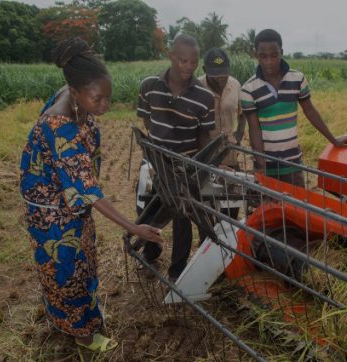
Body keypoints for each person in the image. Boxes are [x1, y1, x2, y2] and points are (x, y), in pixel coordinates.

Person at [20, 37, 163, 354]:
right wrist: (135, 227)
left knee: (78, 263)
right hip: (53, 213)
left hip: (65, 204)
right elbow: (88, 191)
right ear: (74, 92)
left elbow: (81, 187)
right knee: (68, 268)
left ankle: (70, 320)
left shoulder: (70, 94)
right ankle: (84, 335)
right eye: (97, 99)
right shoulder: (61, 129)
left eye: (108, 98)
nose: (104, 106)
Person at [136, 34, 216, 282]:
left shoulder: (204, 96)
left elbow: (204, 135)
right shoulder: (149, 85)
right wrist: (162, 142)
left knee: (182, 215)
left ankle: (178, 271)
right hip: (155, 161)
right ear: (171, 57)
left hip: (184, 166)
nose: (189, 67)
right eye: (183, 60)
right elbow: (147, 118)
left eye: (193, 62)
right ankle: (150, 253)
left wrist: (203, 165)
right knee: (147, 209)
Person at [240, 29, 347, 187]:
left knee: (297, 207)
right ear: (256, 55)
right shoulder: (248, 89)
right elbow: (254, 128)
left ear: (281, 52)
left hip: (293, 163)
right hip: (267, 165)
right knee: (271, 210)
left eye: (274, 55)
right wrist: (261, 165)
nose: (269, 61)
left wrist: (333, 140)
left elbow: (310, 111)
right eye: (263, 56)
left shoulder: (297, 79)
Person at [198, 47, 246, 220]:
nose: (220, 79)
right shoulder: (197, 88)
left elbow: (243, 114)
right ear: (204, 70)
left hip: (230, 156)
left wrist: (239, 135)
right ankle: (210, 241)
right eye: (215, 75)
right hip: (205, 158)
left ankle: (229, 238)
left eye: (223, 74)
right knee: (207, 207)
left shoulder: (235, 85)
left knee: (233, 204)